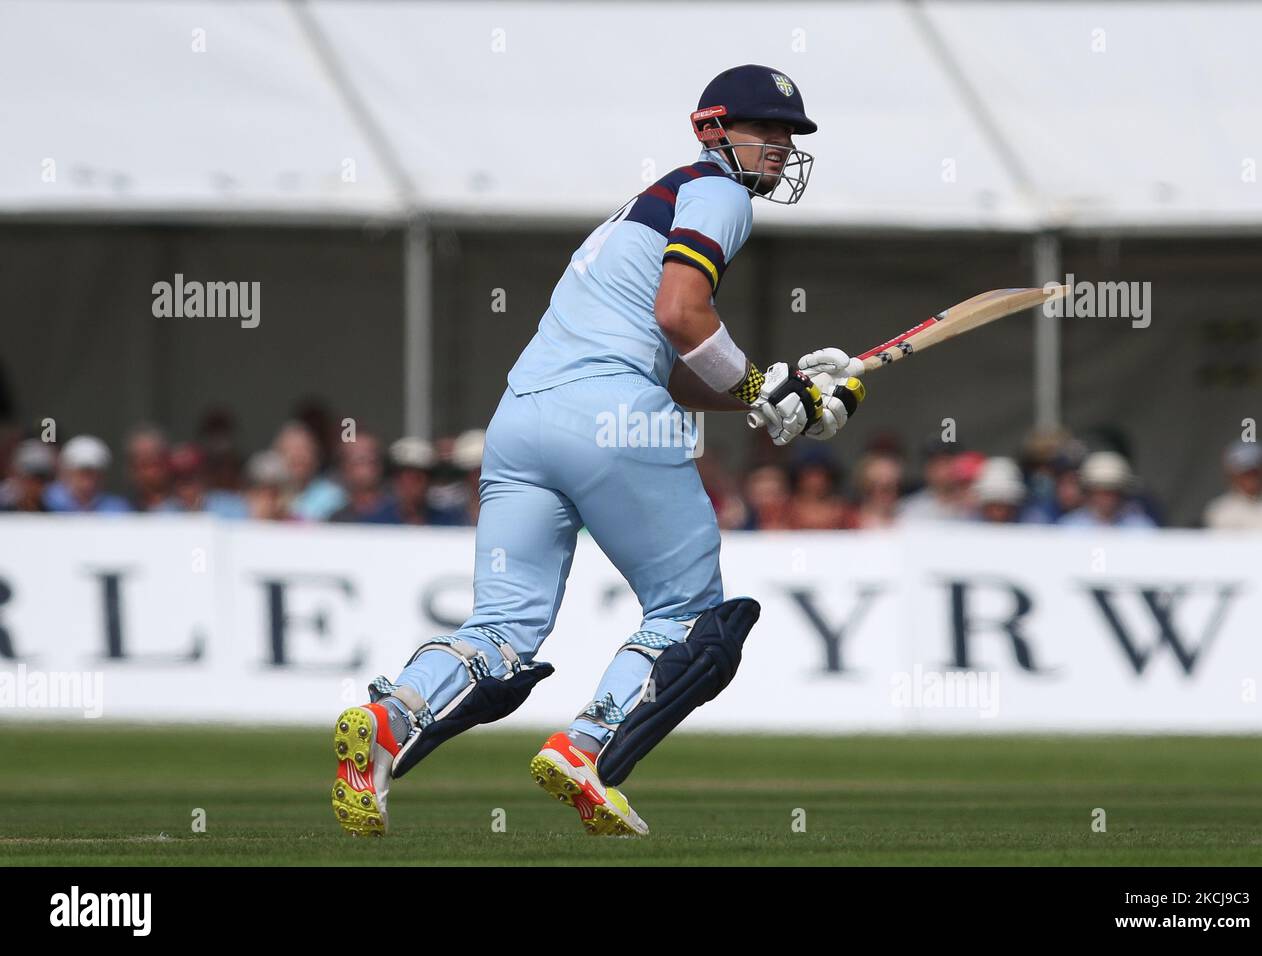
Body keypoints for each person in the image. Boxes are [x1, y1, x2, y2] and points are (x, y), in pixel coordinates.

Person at [330, 65, 866, 838]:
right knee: (693, 616)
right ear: (712, 130)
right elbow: (683, 314)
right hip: (612, 417)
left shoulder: (629, 217)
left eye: (789, 134)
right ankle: (586, 747)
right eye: (767, 131)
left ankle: (388, 719)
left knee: (501, 632)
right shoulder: (716, 193)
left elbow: (669, 364)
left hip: (521, 420)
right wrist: (765, 391)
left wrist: (782, 397)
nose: (782, 147)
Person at [1202, 441, 1262, 531]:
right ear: (1232, 475)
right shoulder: (1219, 511)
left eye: (1255, 472)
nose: (1251, 478)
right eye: (1244, 473)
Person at [1056, 451, 1155, 529]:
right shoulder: (1069, 526)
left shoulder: (1140, 527)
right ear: (1089, 491)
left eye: (1112, 490)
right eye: (1099, 490)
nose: (1106, 497)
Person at [44, 435, 131, 513]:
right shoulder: (47, 502)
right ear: (66, 473)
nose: (88, 482)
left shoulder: (117, 509)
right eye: (82, 473)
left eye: (94, 474)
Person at [0, 439, 56, 512]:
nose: (35, 484)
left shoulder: (56, 507)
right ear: (15, 475)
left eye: (42, 478)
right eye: (31, 478)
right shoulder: (3, 505)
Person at [971, 456, 1025, 524]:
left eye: (1004, 505)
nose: (999, 513)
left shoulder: (1031, 524)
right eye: (993, 505)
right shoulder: (967, 525)